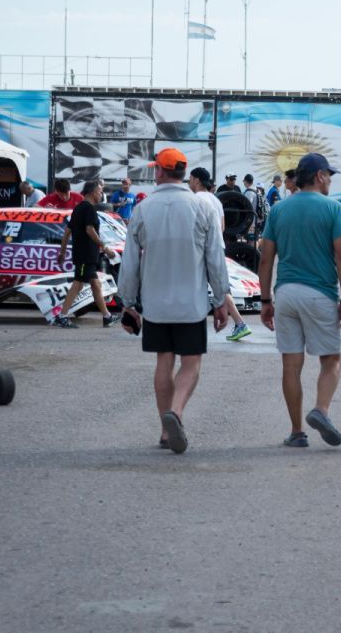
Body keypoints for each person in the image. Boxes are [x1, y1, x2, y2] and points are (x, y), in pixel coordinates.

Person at [118, 149, 230, 454]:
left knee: (163, 362)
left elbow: (130, 262)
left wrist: (128, 302)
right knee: (191, 364)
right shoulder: (201, 207)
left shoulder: (143, 209)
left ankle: (165, 431)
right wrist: (220, 299)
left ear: (160, 172)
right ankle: (177, 412)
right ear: (184, 173)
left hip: (155, 304)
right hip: (191, 303)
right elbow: (215, 259)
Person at [259, 153, 341, 449]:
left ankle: (297, 432)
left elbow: (265, 257)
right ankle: (321, 410)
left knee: (291, 364)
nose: (331, 181)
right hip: (319, 293)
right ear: (320, 175)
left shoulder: (279, 210)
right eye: (330, 175)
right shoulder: (333, 208)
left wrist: (265, 300)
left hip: (285, 293)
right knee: (332, 359)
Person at [189, 167, 253, 342]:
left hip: (203, 249)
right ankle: (239, 323)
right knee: (221, 287)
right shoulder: (215, 200)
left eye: (190, 178)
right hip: (218, 246)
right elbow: (223, 227)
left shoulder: (194, 199)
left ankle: (192, 327)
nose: (189, 182)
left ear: (196, 180)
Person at [51, 179, 118, 329]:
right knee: (78, 284)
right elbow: (89, 229)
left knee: (95, 284)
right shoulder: (89, 209)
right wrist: (105, 248)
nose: (101, 195)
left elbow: (67, 232)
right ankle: (62, 317)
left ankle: (107, 317)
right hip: (85, 254)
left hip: (86, 255)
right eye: (100, 192)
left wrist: (62, 252)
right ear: (94, 193)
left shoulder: (78, 208)